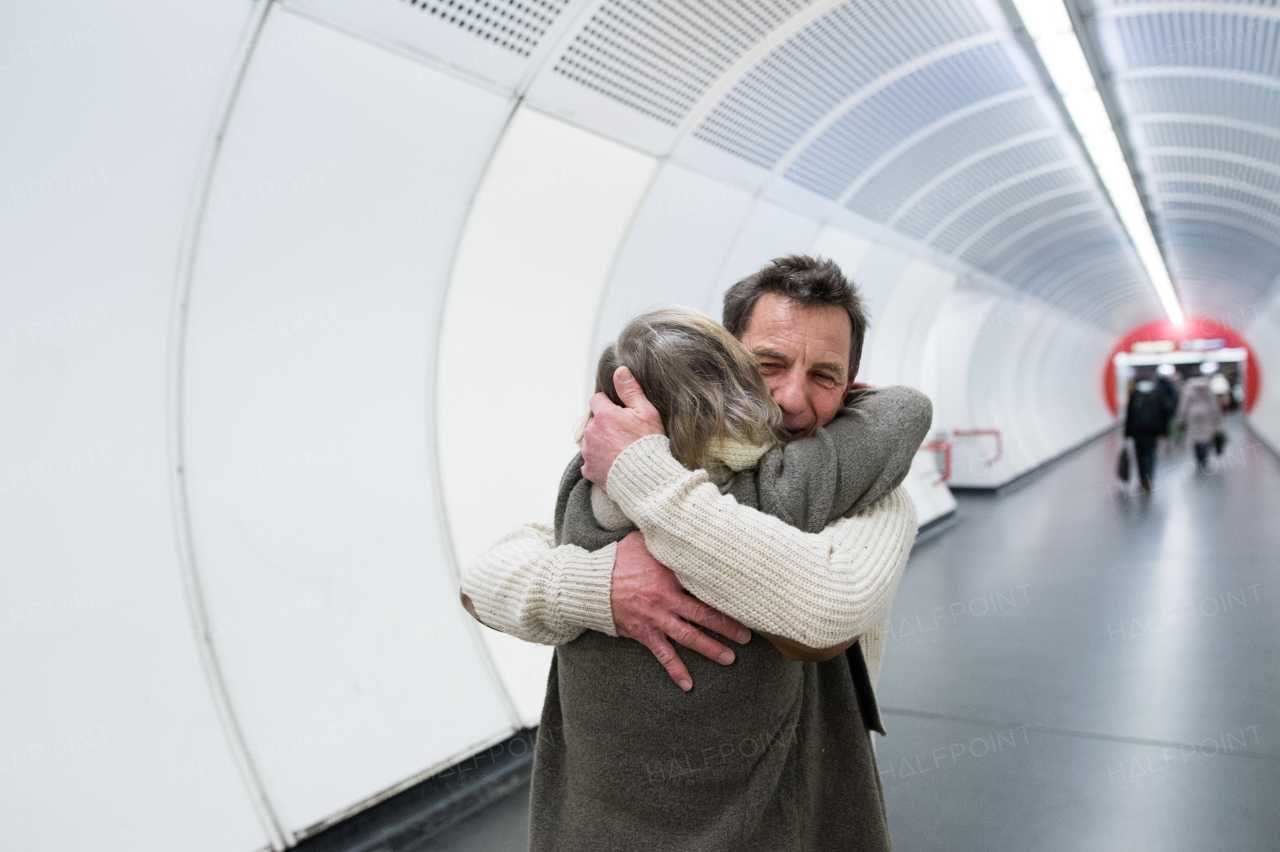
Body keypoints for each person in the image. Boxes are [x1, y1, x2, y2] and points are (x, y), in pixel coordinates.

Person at [460, 255, 930, 849]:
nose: (790, 398)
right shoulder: (627, 469)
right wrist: (601, 586)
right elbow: (484, 578)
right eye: (770, 364)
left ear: (854, 387)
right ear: (725, 362)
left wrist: (643, 475)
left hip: (800, 795)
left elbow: (826, 607)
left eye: (824, 376)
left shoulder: (871, 496)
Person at [1124, 378, 1172, 492]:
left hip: (1138, 431)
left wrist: (1127, 433)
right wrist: (1164, 431)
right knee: (1150, 454)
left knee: (1140, 455)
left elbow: (1129, 415)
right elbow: (1164, 413)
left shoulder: (1134, 395)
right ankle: (1148, 477)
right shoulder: (1156, 395)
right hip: (1152, 431)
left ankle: (1142, 479)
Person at [1177, 375, 1224, 469]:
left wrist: (1181, 418)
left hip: (1193, 415)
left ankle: (1199, 457)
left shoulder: (1189, 388)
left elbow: (1184, 405)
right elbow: (1214, 404)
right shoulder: (1207, 387)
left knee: (1195, 438)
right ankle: (1203, 456)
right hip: (1206, 414)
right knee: (1205, 437)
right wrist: (1217, 418)